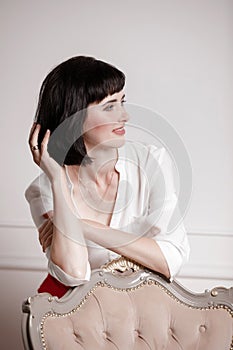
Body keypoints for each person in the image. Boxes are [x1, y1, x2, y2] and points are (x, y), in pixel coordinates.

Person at [25, 56, 190, 297]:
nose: (125, 116)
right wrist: (58, 181)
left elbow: (170, 259)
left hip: (150, 317)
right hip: (86, 324)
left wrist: (81, 226)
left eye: (122, 102)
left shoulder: (151, 162)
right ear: (75, 116)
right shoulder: (43, 190)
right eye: (110, 106)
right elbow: (73, 273)